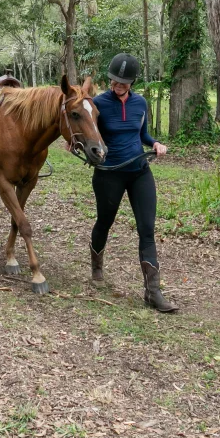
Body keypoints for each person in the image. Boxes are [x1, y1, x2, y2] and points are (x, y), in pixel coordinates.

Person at [89, 53, 176, 312]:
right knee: (105, 221)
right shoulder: (98, 103)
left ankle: (153, 292)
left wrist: (155, 143)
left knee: (147, 228)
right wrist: (76, 144)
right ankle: (96, 266)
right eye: (114, 80)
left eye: (123, 82)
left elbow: (143, 134)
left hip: (139, 171)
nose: (118, 85)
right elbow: (88, 133)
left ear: (132, 82)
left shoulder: (140, 103)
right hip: (109, 173)